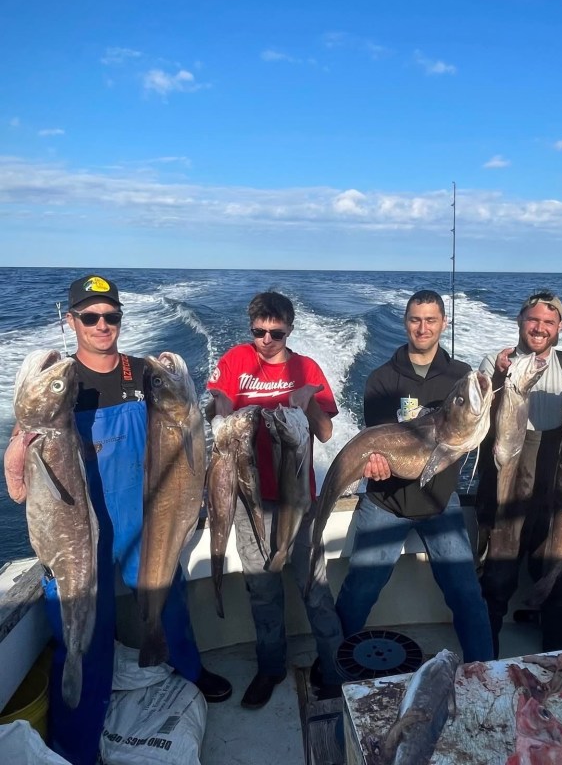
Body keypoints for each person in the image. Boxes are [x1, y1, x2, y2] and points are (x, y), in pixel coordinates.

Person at [3, 274, 231, 765]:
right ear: (72, 321)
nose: (102, 325)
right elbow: (19, 484)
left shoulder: (142, 374)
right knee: (82, 636)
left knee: (169, 603)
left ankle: (189, 670)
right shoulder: (61, 385)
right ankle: (78, 741)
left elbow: (180, 431)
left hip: (142, 520)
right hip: (78, 533)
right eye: (90, 317)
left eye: (111, 316)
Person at [335, 290, 494, 663]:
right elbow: (375, 441)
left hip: (440, 501)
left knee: (467, 594)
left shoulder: (460, 378)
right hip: (385, 501)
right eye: (415, 319)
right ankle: (332, 665)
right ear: (406, 322)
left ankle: (487, 671)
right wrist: (373, 465)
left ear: (443, 324)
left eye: (431, 320)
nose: (423, 328)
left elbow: (489, 416)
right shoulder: (381, 379)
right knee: (360, 589)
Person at [206, 291, 344, 708]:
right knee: (262, 591)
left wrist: (308, 402)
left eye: (276, 332)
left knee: (314, 589)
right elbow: (221, 402)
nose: (266, 339)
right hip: (250, 502)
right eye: (258, 331)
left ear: (290, 329)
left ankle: (336, 672)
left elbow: (323, 432)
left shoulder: (306, 368)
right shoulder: (234, 361)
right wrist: (219, 412)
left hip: (299, 502)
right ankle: (270, 668)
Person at [476, 290, 562, 658]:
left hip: (555, 484)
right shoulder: (496, 361)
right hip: (507, 478)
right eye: (533, 320)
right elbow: (477, 420)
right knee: (497, 576)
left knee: (559, 572)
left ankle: (558, 656)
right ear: (520, 321)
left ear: (559, 328)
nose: (539, 328)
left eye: (548, 323)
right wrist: (501, 378)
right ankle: (486, 656)